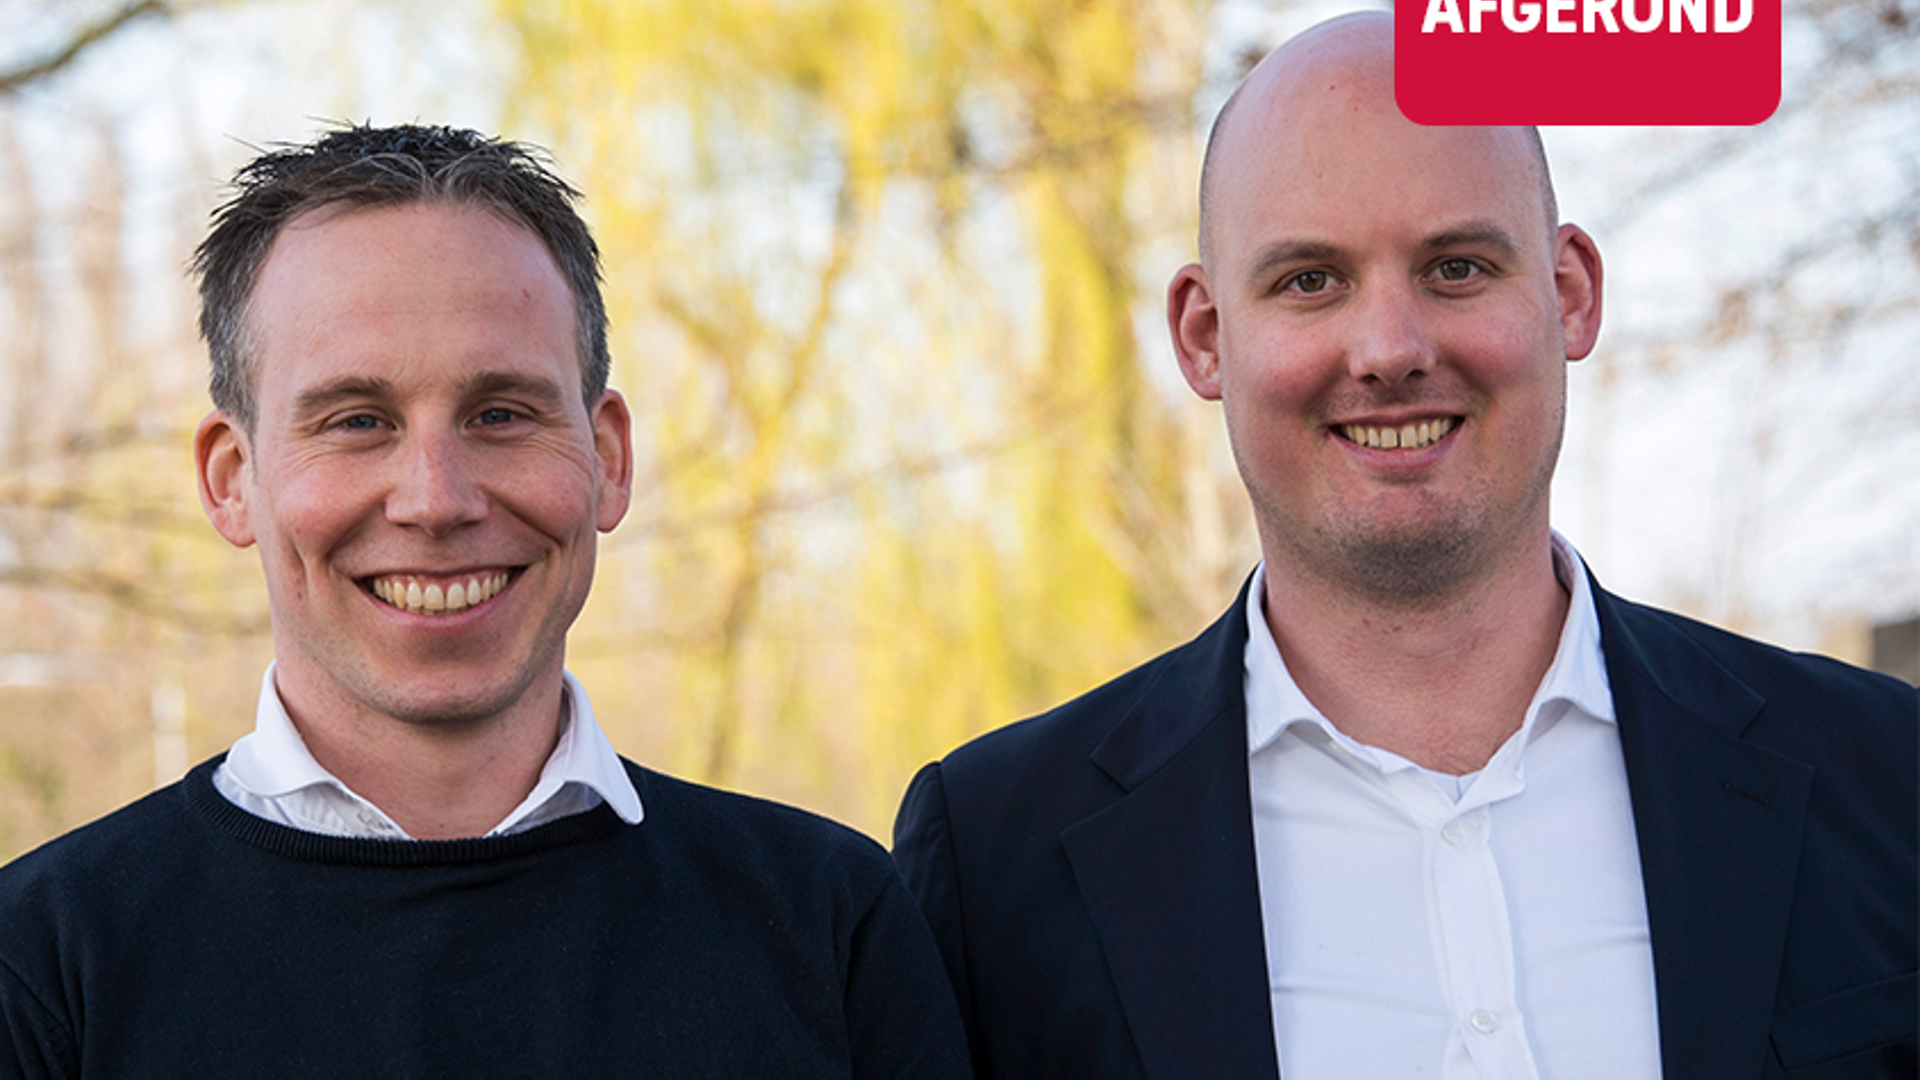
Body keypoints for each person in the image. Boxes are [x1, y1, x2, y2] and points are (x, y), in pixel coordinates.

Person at [892, 13, 1916, 1079]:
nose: (1389, 350)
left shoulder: (1889, 780)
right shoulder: (995, 868)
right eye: (1310, 281)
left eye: (1456, 267)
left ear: (1569, 296)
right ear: (1205, 337)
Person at [0, 124, 969, 1078]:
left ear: (609, 459)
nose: (436, 500)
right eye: (357, 421)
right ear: (230, 479)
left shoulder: (830, 924)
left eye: (500, 414)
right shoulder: (43, 968)